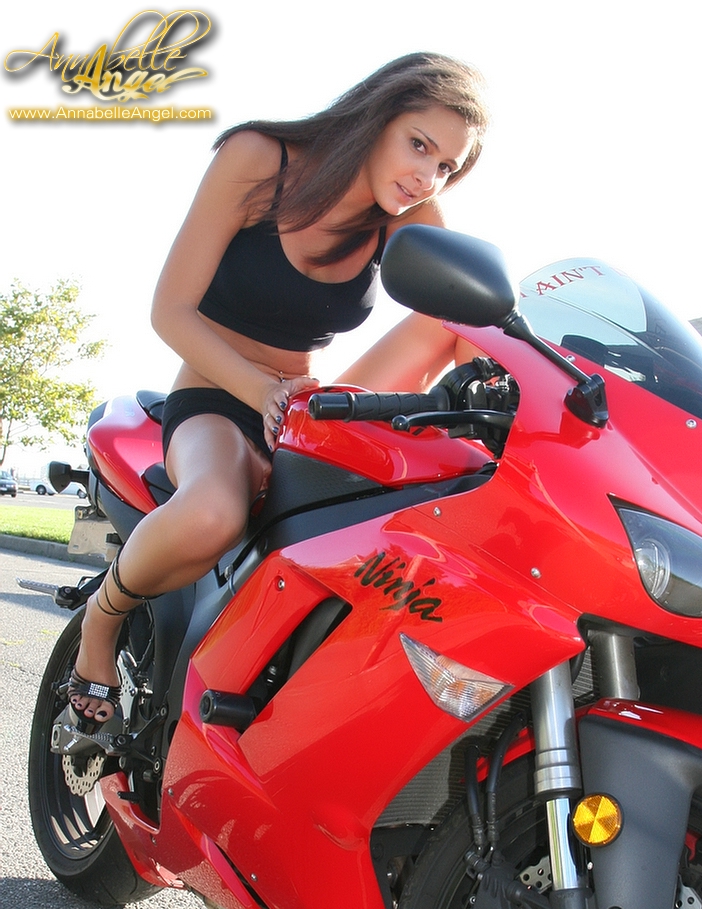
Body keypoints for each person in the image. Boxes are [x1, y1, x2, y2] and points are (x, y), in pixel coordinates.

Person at [68, 52, 488, 723]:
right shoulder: (261, 160)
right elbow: (170, 310)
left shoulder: (410, 212)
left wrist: (509, 389)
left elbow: (465, 313)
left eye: (445, 166)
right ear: (376, 117)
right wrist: (262, 391)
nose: (425, 176)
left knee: (456, 323)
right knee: (212, 514)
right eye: (418, 145)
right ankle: (102, 617)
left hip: (306, 409)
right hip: (218, 393)